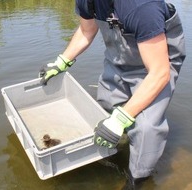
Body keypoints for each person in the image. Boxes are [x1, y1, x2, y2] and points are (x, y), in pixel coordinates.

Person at [39, 0, 186, 189]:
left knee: (146, 126)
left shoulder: (142, 6)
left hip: (157, 62)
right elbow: (86, 31)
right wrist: (61, 62)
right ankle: (118, 143)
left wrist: (121, 118)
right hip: (120, 55)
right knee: (107, 102)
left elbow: (160, 73)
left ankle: (137, 179)